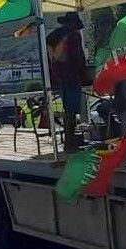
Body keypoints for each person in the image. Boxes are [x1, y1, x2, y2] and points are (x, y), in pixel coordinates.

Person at [46, 11, 92, 151]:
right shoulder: (73, 36)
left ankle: (69, 140)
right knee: (71, 111)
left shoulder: (53, 36)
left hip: (57, 78)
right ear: (73, 23)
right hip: (71, 78)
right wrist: (85, 76)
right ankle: (70, 142)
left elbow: (50, 57)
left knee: (68, 111)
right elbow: (78, 58)